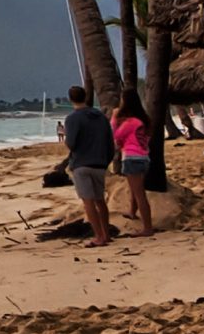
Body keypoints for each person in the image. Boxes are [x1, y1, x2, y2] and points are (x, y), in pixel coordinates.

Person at [59, 85, 114, 246]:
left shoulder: (73, 118)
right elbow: (110, 141)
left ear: (70, 99)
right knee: (100, 200)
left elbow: (71, 143)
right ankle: (106, 234)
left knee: (88, 201)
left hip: (82, 163)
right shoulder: (100, 116)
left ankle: (99, 236)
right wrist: (106, 160)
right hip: (99, 162)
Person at [111, 92, 154, 237]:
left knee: (139, 193)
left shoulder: (131, 122)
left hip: (131, 157)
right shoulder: (144, 120)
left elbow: (115, 135)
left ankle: (148, 227)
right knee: (135, 189)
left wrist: (114, 118)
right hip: (143, 157)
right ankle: (132, 211)